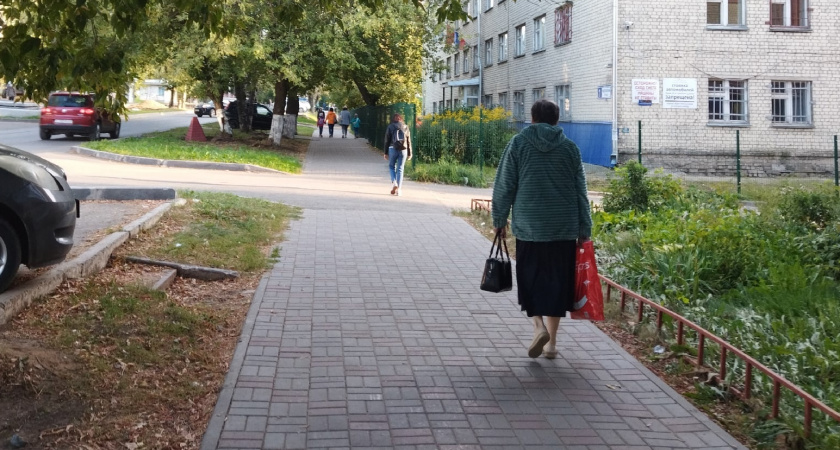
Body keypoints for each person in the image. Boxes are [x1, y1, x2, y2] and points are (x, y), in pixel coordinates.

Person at [491, 99, 592, 360]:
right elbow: (581, 191)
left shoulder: (518, 144)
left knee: (530, 279)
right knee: (557, 284)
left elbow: (504, 184)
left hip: (529, 227)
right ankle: (552, 345)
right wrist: (585, 227)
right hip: (563, 228)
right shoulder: (570, 149)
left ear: (532, 118)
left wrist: (499, 219)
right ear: (557, 121)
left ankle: (538, 327)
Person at [383, 113, 412, 196]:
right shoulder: (405, 127)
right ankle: (399, 190)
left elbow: (387, 140)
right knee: (400, 169)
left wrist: (385, 152)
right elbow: (408, 141)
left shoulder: (390, 127)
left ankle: (394, 182)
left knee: (391, 166)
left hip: (392, 148)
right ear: (401, 119)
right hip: (403, 149)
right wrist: (410, 153)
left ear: (393, 119)